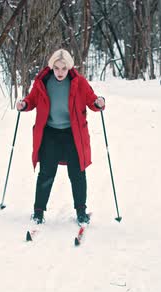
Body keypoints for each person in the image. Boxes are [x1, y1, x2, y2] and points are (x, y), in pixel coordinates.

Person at [16, 49, 105, 225]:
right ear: (52, 66)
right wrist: (24, 104)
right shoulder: (43, 81)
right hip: (50, 133)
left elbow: (92, 100)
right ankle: (38, 212)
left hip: (73, 134)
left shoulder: (79, 82)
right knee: (46, 173)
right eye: (56, 68)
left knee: (77, 173)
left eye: (63, 68)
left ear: (69, 67)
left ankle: (81, 212)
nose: (60, 72)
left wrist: (98, 103)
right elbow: (32, 100)